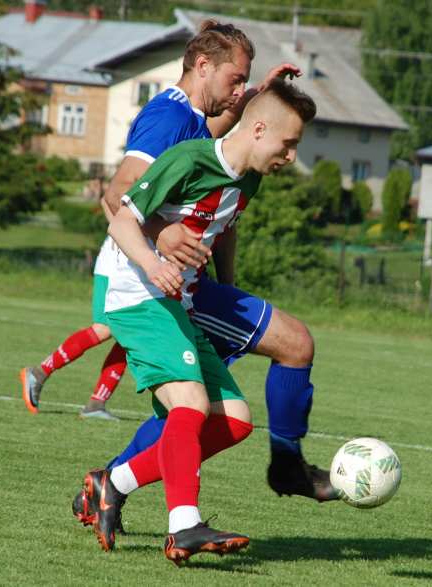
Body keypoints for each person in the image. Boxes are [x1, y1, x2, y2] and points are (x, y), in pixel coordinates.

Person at [21, 22, 334, 506]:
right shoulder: (167, 118)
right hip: (154, 280)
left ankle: (111, 485)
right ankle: (124, 483)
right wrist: (164, 234)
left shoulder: (197, 121)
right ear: (203, 67)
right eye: (235, 79)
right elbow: (118, 194)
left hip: (191, 279)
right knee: (206, 400)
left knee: (202, 403)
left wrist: (261, 95)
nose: (238, 91)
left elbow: (219, 171)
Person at [85, 80, 317, 565]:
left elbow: (223, 226)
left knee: (233, 422)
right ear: (258, 129)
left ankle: (113, 482)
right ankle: (184, 526)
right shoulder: (189, 160)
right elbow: (120, 219)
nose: (292, 156)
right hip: (133, 292)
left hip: (176, 297)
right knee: (189, 402)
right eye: (289, 143)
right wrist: (155, 264)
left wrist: (224, 283)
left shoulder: (248, 177)